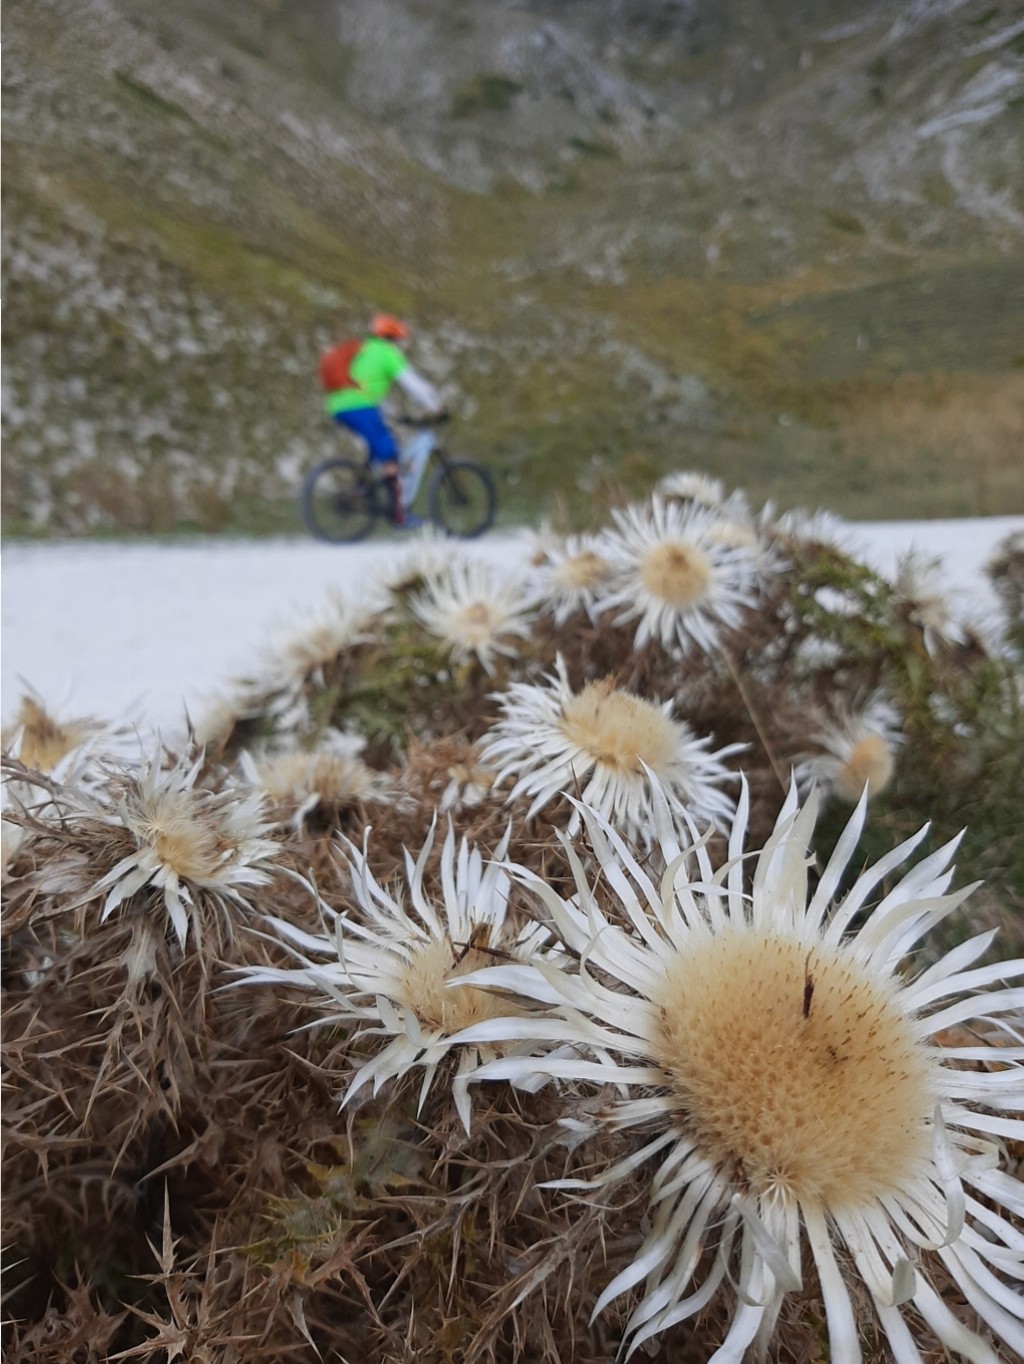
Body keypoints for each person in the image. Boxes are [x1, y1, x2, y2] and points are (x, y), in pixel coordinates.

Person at [322, 314, 446, 527]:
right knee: (389, 455)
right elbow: (413, 385)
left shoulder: (363, 350)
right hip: (360, 407)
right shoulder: (387, 353)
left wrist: (395, 414)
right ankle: (399, 516)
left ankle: (362, 486)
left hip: (337, 406)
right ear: (392, 338)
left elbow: (369, 388)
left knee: (379, 441)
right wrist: (435, 406)